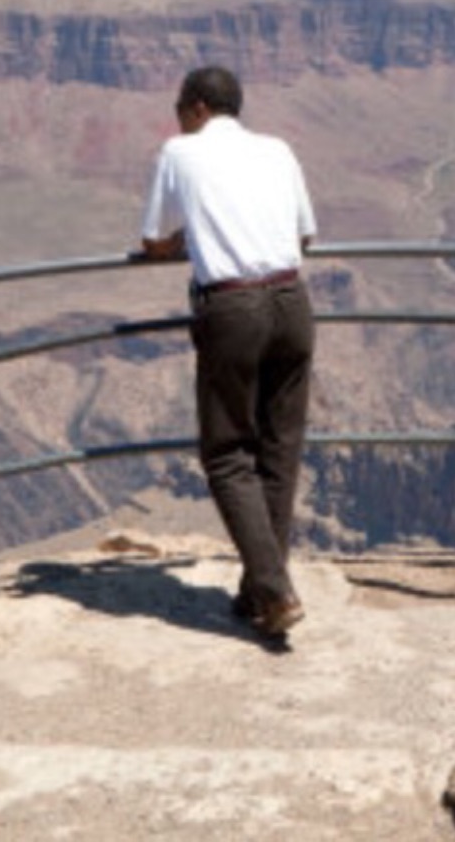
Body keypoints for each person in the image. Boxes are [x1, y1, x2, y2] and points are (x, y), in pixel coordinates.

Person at [138, 65, 318, 641]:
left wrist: (192, 239)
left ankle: (274, 587)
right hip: (293, 301)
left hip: (233, 308)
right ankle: (258, 591)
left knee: (226, 453)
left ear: (195, 108)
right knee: (279, 447)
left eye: (177, 109)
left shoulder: (179, 152)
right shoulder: (278, 150)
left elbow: (154, 239)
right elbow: (305, 234)